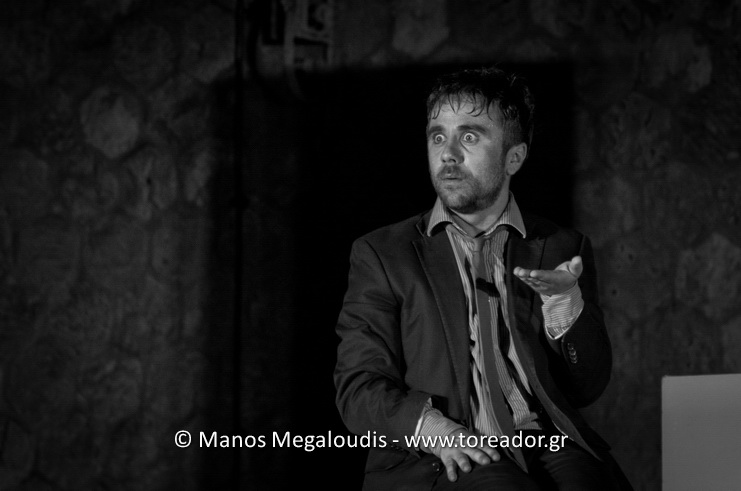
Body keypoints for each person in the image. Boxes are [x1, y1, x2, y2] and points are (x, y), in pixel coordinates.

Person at [334, 66, 631, 490]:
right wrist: (436, 430)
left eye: (470, 137)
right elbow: (358, 387)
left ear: (514, 158)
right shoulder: (383, 254)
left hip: (546, 443)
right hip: (443, 450)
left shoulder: (561, 247)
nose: (448, 154)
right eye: (438, 137)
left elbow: (587, 388)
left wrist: (565, 308)